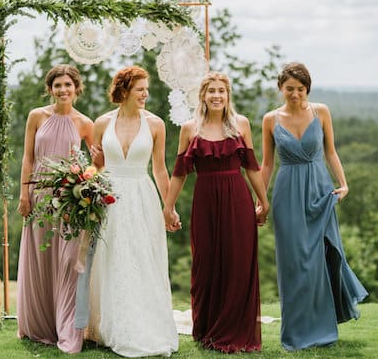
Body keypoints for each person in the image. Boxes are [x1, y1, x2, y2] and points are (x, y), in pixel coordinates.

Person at [260, 62, 368, 351]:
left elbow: (330, 152)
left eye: (300, 89)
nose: (295, 94)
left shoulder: (321, 112)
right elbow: (267, 163)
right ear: (281, 89)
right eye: (289, 89)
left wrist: (343, 183)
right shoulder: (270, 119)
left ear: (308, 88)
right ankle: (295, 333)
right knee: (293, 264)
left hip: (319, 191)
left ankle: (322, 329)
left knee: (320, 259)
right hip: (287, 195)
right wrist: (261, 199)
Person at [162, 71, 270, 353]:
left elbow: (252, 167)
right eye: (212, 91)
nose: (217, 95)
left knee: (237, 262)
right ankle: (208, 329)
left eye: (222, 91)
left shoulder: (241, 124)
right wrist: (168, 206)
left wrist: (263, 200)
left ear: (228, 95)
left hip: (237, 198)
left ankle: (235, 331)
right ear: (203, 95)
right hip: (205, 201)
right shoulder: (189, 128)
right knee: (206, 263)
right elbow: (179, 173)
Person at [85, 66, 179, 357]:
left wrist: (168, 207)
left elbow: (160, 169)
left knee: (141, 259)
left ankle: (144, 324)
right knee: (111, 259)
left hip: (141, 196)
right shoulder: (101, 123)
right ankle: (107, 325)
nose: (145, 95)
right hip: (109, 198)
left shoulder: (156, 124)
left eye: (146, 89)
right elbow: (95, 170)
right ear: (124, 90)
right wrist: (95, 166)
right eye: (140, 89)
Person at [16, 64, 94, 353]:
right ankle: (38, 324)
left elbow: (97, 164)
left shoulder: (85, 123)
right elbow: (27, 158)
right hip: (39, 196)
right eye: (57, 85)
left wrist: (88, 181)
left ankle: (66, 326)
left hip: (68, 201)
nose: (63, 90)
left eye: (68, 85)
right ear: (50, 89)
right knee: (39, 258)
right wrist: (24, 194)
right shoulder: (37, 116)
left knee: (66, 262)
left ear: (76, 89)